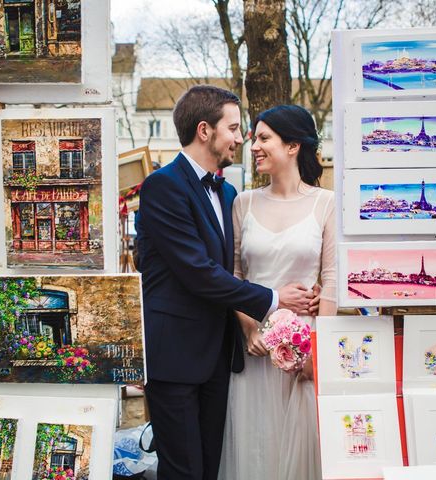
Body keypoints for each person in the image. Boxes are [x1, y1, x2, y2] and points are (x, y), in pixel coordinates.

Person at [135, 86, 319, 480]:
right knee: (184, 471)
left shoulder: (229, 191)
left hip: (221, 359)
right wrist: (272, 298)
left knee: (213, 467)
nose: (241, 138)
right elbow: (199, 271)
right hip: (176, 359)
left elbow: (233, 266)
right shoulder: (162, 186)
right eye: (234, 129)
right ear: (205, 130)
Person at [219, 104, 337, 480]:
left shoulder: (326, 204)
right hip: (254, 350)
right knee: (255, 448)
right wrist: (249, 329)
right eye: (253, 137)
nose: (253, 145)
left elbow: (332, 281)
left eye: (263, 138)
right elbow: (233, 277)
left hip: (304, 351)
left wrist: (316, 355)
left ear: (293, 146)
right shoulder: (243, 203)